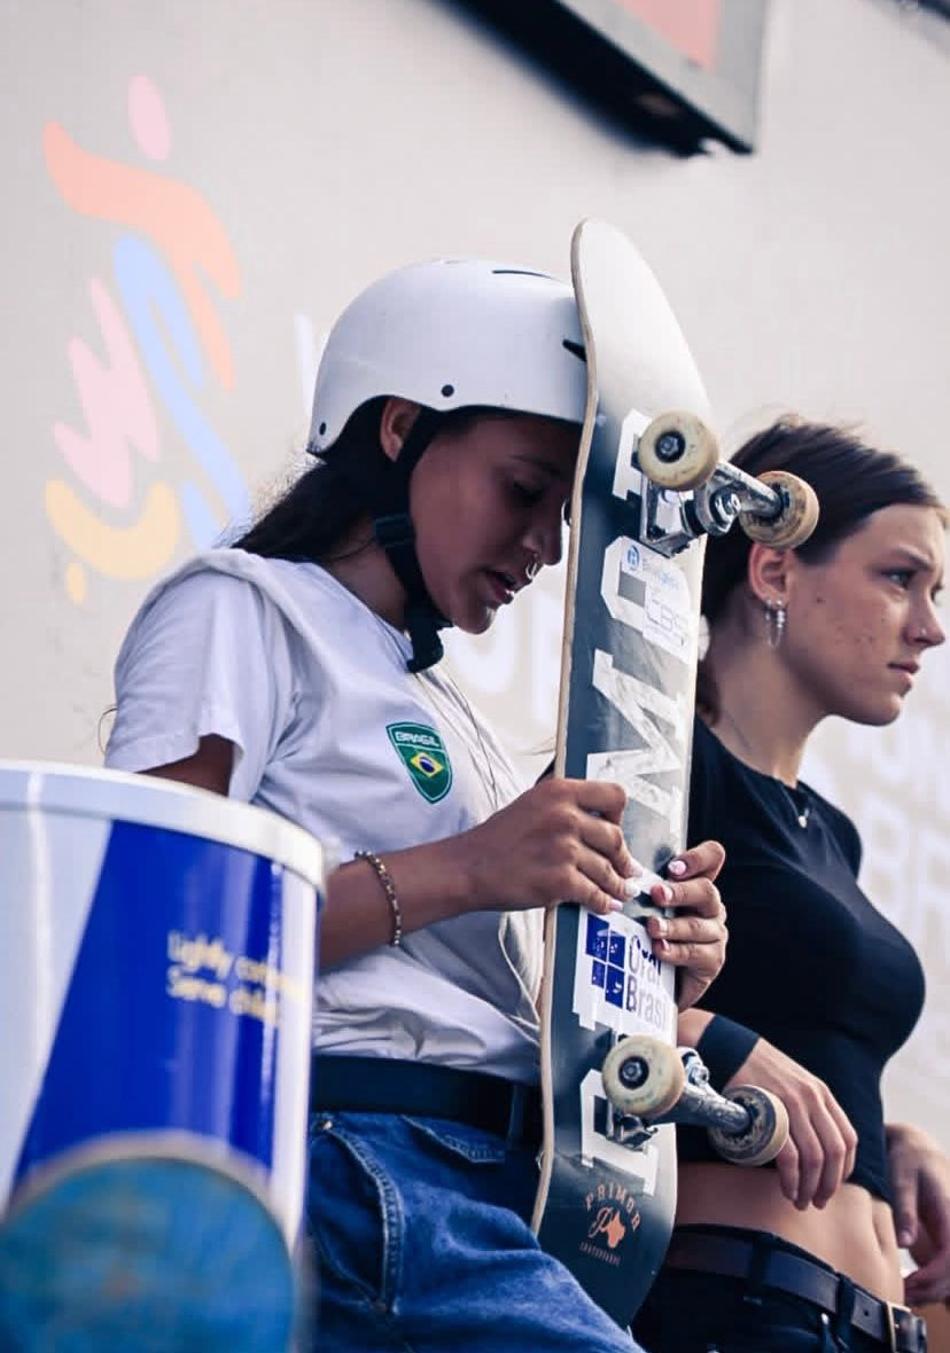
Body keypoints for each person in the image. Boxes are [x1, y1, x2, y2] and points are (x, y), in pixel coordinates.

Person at [104, 256, 729, 1351]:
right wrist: (470, 869)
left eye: (565, 515)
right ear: (399, 430)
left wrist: (642, 959)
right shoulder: (243, 607)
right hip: (353, 1158)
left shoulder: (443, 709)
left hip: (487, 1190)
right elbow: (158, 936)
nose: (544, 546)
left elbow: (471, 976)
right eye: (526, 488)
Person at [632, 418, 948, 1353]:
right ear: (772, 569)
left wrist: (886, 1144)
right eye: (901, 578)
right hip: (741, 1309)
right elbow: (527, 990)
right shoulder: (660, 765)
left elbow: (798, 1035)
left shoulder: (832, 835)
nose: (930, 626)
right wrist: (705, 1038)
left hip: (874, 1325)